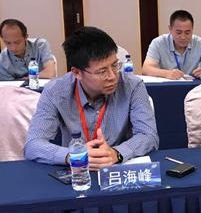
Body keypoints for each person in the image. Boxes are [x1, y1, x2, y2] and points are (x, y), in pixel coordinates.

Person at [25, 26, 159, 168]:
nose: (112, 76)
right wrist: (72, 156)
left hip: (118, 168)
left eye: (115, 65)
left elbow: (148, 135)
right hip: (78, 171)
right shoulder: (55, 91)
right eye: (102, 71)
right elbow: (33, 144)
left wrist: (116, 153)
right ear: (77, 73)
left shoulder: (132, 86)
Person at [142, 10, 201, 79]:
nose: (183, 37)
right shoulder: (158, 43)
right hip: (167, 86)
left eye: (187, 33)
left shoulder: (200, 43)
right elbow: (146, 69)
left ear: (192, 30)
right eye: (178, 32)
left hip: (193, 87)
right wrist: (166, 73)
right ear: (170, 29)